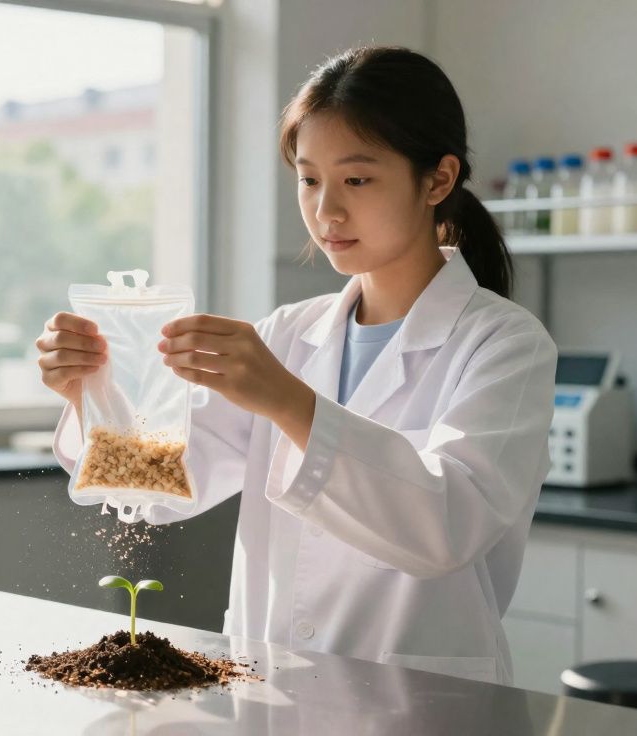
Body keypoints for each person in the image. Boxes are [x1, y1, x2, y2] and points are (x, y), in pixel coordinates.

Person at [35, 46, 557, 686]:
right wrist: (90, 392)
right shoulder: (287, 335)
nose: (326, 211)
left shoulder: (504, 345)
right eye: (310, 180)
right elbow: (157, 486)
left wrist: (289, 402)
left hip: (421, 701)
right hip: (271, 690)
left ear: (438, 180)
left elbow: (446, 529)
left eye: (357, 180)